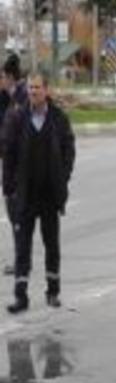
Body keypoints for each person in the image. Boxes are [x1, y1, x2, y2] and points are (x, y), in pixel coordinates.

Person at [3, 73, 75, 314]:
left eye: (37, 87)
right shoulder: (17, 118)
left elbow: (69, 149)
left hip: (49, 196)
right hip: (24, 196)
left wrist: (62, 179)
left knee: (51, 245)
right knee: (22, 248)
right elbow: (8, 155)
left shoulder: (58, 118)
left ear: (46, 90)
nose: (32, 91)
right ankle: (20, 297)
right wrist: (9, 190)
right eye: (30, 87)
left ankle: (53, 292)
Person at [0, 54, 28, 276]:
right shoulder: (14, 96)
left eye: (2, 76)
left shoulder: (21, 98)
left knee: (16, 214)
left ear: (9, 76)